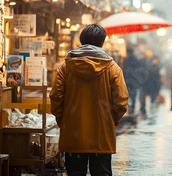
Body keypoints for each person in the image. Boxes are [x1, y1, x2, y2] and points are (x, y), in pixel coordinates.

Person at [50, 24, 129, 176]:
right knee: (101, 173)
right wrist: (114, 119)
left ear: (81, 41)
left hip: (73, 133)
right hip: (102, 133)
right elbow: (121, 100)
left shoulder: (65, 67)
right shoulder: (113, 68)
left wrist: (63, 119)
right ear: (102, 42)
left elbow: (56, 97)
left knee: (75, 172)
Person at [122, 47, 144, 114]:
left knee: (127, 94)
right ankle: (133, 107)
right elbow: (139, 70)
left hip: (127, 80)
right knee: (133, 94)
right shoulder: (135, 59)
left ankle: (129, 107)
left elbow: (124, 70)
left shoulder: (126, 60)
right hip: (134, 80)